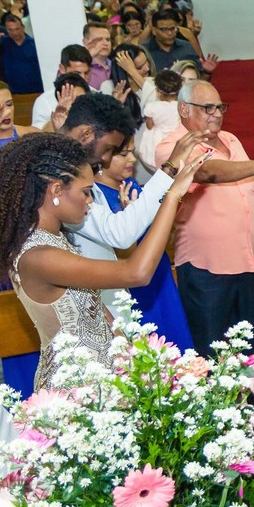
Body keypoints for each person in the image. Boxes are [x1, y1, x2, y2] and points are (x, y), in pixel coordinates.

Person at [0, 133, 205, 392]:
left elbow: (94, 309)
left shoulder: (55, 240)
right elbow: (136, 273)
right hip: (78, 387)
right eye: (86, 192)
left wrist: (137, 358)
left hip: (103, 375)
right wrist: (172, 196)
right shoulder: (37, 255)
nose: (90, 200)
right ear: (56, 191)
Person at [154, 80, 254, 357]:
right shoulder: (171, 148)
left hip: (246, 261)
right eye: (208, 108)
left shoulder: (230, 139)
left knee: (249, 349)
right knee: (212, 351)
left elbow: (249, 197)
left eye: (220, 107)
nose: (217, 113)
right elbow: (207, 172)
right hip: (205, 269)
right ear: (184, 109)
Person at [92, 137, 194, 351]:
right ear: (102, 158)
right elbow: (123, 255)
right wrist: (130, 214)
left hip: (160, 273)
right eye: (124, 154)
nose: (132, 159)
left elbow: (164, 235)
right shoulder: (98, 199)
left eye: (133, 152)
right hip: (136, 285)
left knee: (175, 342)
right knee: (150, 351)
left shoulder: (131, 186)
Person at [0, 13, 43, 94]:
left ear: (23, 28)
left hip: (35, 89)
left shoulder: (34, 44)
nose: (14, 33)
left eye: (17, 29)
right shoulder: (4, 42)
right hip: (13, 90)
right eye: (10, 30)